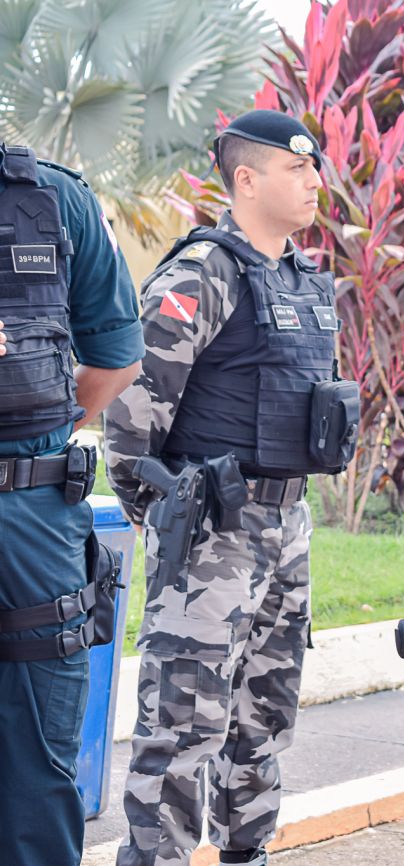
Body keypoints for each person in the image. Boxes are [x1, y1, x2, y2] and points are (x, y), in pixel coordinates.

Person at [105, 110, 358, 866]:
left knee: (263, 725)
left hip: (287, 529)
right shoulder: (201, 274)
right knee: (182, 730)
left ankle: (249, 853)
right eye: (296, 168)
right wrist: (169, 521)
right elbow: (130, 416)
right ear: (246, 179)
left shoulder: (303, 280)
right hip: (214, 534)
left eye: (315, 167)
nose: (314, 181)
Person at [0, 143, 143, 866]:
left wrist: (45, 438)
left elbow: (117, 354)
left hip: (36, 518)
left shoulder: (58, 200)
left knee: (41, 759)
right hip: (34, 501)